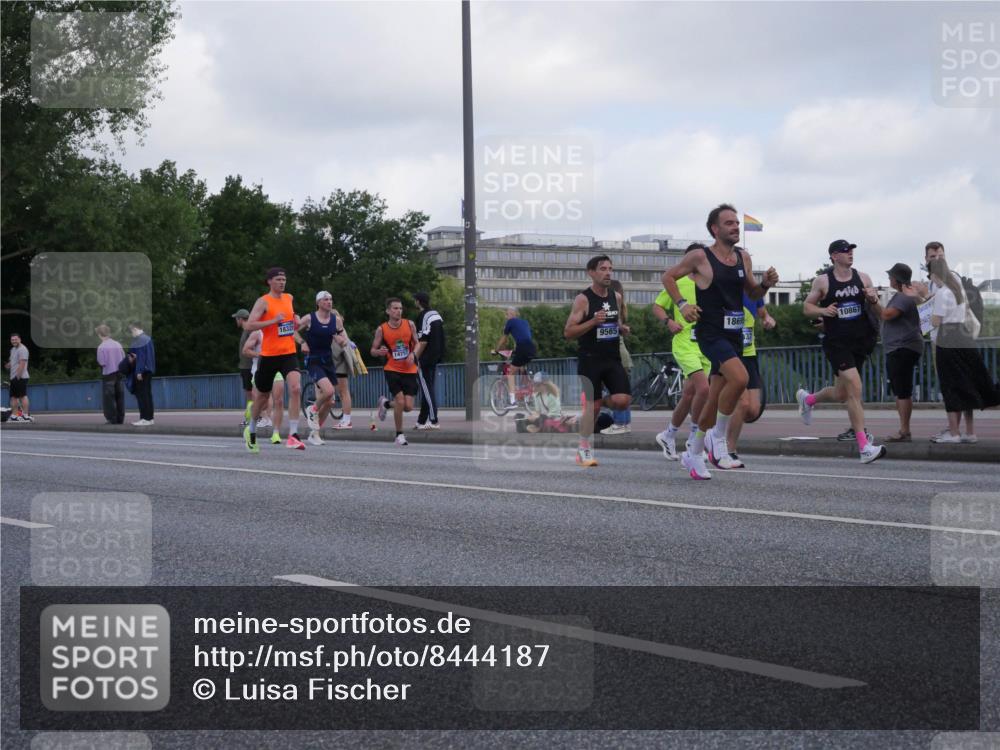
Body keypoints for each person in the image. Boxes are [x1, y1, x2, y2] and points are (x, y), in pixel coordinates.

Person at [663, 205, 778, 479]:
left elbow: (751, 292)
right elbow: (668, 277)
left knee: (714, 399)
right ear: (715, 229)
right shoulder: (700, 257)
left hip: (734, 333)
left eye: (736, 223)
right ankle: (717, 438)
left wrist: (766, 284)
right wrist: (681, 304)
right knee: (739, 379)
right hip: (711, 333)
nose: (735, 227)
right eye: (729, 223)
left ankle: (693, 452)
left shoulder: (743, 257)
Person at [797, 240, 886, 464]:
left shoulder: (863, 278)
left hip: (860, 341)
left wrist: (874, 299)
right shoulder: (823, 280)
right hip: (837, 343)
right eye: (846, 251)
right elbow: (807, 308)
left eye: (852, 250)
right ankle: (864, 446)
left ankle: (807, 399)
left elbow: (880, 312)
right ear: (834, 256)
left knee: (842, 394)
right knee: (855, 387)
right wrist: (823, 310)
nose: (851, 254)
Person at [564, 255, 632, 467]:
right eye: (603, 269)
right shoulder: (583, 299)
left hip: (612, 358)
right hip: (590, 359)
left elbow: (616, 320)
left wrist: (621, 328)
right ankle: (584, 448)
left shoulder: (616, 297)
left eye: (610, 268)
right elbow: (568, 332)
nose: (608, 273)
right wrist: (593, 321)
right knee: (592, 409)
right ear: (591, 272)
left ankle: (595, 404)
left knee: (623, 401)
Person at [927, 257, 1000, 443]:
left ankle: (954, 433)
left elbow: (936, 321)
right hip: (963, 334)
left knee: (951, 384)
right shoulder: (957, 289)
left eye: (930, 275)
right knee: (968, 382)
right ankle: (970, 432)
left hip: (947, 336)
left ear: (935, 274)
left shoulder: (942, 293)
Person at [653, 243, 712, 460]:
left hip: (706, 345)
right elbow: (657, 306)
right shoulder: (677, 283)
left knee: (689, 395)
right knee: (703, 390)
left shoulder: (709, 283)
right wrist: (669, 321)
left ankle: (668, 435)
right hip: (684, 344)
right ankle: (694, 440)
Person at [243, 267, 305, 452]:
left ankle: (293, 434)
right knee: (262, 398)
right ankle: (251, 429)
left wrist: (297, 320)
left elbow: (291, 319)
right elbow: (249, 324)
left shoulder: (289, 298)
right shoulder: (263, 302)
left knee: (295, 387)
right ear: (269, 281)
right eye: (278, 279)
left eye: (284, 279)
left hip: (288, 353)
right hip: (269, 356)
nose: (282, 282)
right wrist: (271, 321)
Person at [723, 290, 776, 466]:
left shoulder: (753, 291)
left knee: (752, 410)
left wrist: (767, 319)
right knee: (743, 403)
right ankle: (729, 449)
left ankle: (720, 427)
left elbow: (762, 312)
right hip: (729, 354)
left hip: (749, 353)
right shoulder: (723, 286)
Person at [881, 263, 925, 442]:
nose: (889, 279)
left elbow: (887, 315)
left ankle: (904, 430)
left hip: (902, 347)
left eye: (891, 276)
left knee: (903, 390)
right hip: (903, 346)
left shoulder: (902, 296)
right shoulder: (907, 294)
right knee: (901, 389)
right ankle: (903, 429)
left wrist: (874, 302)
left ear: (896, 279)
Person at [298, 291, 348, 446]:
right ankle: (312, 409)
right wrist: (302, 343)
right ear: (318, 303)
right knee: (329, 391)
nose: (329, 302)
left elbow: (343, 338)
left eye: (331, 299)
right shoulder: (309, 318)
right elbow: (292, 331)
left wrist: (341, 340)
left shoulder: (336, 320)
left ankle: (315, 433)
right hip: (313, 360)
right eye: (326, 299)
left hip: (328, 361)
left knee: (330, 402)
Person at [371, 297, 419, 446]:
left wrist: (413, 354)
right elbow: (372, 350)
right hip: (392, 369)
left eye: (400, 308)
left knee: (408, 406)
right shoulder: (382, 329)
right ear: (388, 311)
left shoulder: (409, 324)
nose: (398, 311)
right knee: (399, 400)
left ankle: (385, 404)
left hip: (410, 369)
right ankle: (399, 435)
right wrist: (379, 352)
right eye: (395, 308)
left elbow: (417, 344)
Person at [242, 328, 284, 444]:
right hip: (260, 370)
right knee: (261, 401)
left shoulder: (278, 331)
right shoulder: (257, 333)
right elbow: (245, 350)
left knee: (279, 400)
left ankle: (276, 433)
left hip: (277, 371)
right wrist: (260, 354)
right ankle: (251, 427)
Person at [602, 279, 633, 435]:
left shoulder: (609, 309)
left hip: (615, 355)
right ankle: (624, 423)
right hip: (623, 355)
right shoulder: (622, 309)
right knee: (623, 392)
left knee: (615, 392)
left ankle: (620, 422)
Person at [413, 291, 445, 430]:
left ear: (419, 302)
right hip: (436, 355)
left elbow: (423, 341)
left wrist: (415, 357)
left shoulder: (423, 316)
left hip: (425, 358)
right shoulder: (435, 314)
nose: (414, 302)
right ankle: (421, 421)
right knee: (427, 389)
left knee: (427, 389)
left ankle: (434, 420)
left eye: (415, 300)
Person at [495, 307, 536, 405]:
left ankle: (512, 401)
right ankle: (530, 393)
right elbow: (523, 336)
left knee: (510, 372)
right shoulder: (525, 322)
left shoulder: (510, 322)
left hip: (522, 348)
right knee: (521, 367)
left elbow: (504, 339)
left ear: (513, 315)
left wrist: (497, 349)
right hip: (532, 348)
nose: (506, 316)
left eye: (507, 314)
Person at [329, 307, 356, 430]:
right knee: (343, 392)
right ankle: (346, 419)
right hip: (341, 364)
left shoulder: (335, 331)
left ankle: (346, 420)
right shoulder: (341, 330)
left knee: (344, 392)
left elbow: (335, 351)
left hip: (339, 365)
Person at [125, 322, 156, 426]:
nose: (131, 333)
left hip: (142, 371)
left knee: (142, 395)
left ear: (135, 329)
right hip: (149, 370)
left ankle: (144, 418)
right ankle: (150, 418)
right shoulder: (147, 338)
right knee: (147, 394)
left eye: (131, 331)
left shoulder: (140, 340)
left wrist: (139, 371)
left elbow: (141, 357)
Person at [95, 325, 125, 424]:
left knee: (109, 398)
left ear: (99, 334)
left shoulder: (101, 347)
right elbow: (124, 357)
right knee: (119, 396)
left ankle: (112, 419)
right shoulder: (118, 344)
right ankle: (120, 418)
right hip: (119, 373)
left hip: (108, 374)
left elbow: (102, 362)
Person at [232, 308, 254, 425]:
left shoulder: (249, 330)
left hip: (249, 366)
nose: (236, 321)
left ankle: (252, 418)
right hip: (245, 366)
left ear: (241, 319)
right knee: (250, 393)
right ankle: (251, 417)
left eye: (236, 318)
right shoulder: (246, 330)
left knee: (251, 394)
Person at [6, 333, 32, 422]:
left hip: (20, 377)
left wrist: (17, 377)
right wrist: (8, 365)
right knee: (13, 397)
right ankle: (14, 415)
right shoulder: (13, 349)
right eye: (12, 340)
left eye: (15, 339)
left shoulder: (23, 349)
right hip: (13, 377)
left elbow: (22, 364)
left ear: (19, 339)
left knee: (22, 396)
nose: (14, 341)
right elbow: (12, 360)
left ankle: (25, 416)